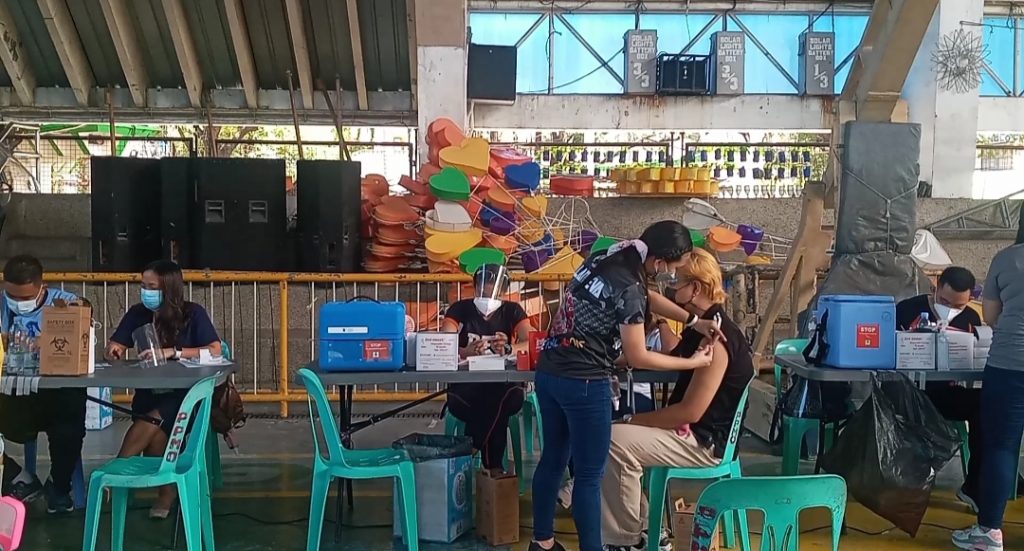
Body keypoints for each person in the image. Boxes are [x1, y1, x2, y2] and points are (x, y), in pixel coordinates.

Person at [530, 221, 725, 551]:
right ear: (659, 261)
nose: (670, 276)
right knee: (590, 476)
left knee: (553, 459)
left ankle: (542, 542)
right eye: (672, 268)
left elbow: (647, 297)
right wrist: (691, 363)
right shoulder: (632, 283)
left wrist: (693, 321)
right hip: (586, 380)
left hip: (550, 371)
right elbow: (638, 355)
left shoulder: (610, 255)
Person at [600, 248, 754, 551]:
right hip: (692, 432)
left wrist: (633, 419)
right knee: (614, 435)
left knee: (613, 439)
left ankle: (625, 541)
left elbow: (690, 412)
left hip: (704, 442)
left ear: (695, 288)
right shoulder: (702, 326)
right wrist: (616, 357)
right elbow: (670, 355)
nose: (670, 286)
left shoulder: (716, 338)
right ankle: (647, 530)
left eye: (676, 281)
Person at [104, 260, 221, 519]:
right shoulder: (138, 313)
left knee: (153, 420)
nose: (146, 291)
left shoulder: (193, 314)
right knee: (155, 429)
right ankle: (167, 492)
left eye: (152, 287)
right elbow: (116, 343)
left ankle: (114, 472)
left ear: (169, 289)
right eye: (143, 286)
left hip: (185, 396)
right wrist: (114, 350)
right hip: (149, 392)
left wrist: (173, 352)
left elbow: (215, 350)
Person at [895, 266, 992, 510]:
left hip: (946, 392)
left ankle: (974, 486)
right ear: (936, 288)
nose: (951, 309)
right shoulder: (907, 309)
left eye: (959, 305)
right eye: (945, 302)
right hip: (908, 392)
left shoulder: (970, 318)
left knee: (986, 406)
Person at [557, 314, 678, 509]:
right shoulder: (617, 331)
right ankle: (584, 481)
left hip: (637, 396)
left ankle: (582, 483)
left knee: (605, 425)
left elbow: (673, 349)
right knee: (578, 420)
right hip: (608, 390)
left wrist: (662, 322)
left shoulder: (655, 335)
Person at [953, 235, 1024, 551]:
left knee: (1002, 449)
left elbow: (991, 317)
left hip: (1010, 365)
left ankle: (989, 532)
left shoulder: (1008, 258)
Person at [0, 255, 86, 514]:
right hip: (12, 396)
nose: (18, 303)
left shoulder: (67, 304)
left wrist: (45, 344)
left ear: (41, 287)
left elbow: (79, 341)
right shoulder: (2, 305)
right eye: (11, 296)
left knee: (70, 421)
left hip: (54, 397)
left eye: (25, 297)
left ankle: (58, 488)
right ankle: (18, 476)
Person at [442, 264, 534, 471]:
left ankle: (471, 450)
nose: (489, 297)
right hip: (465, 389)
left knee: (498, 398)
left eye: (495, 293)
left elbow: (530, 340)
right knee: (495, 408)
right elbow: (444, 341)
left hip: (506, 387)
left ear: (503, 292)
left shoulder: (513, 311)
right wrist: (465, 351)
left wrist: (509, 348)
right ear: (475, 288)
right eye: (484, 292)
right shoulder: (459, 310)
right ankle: (494, 470)